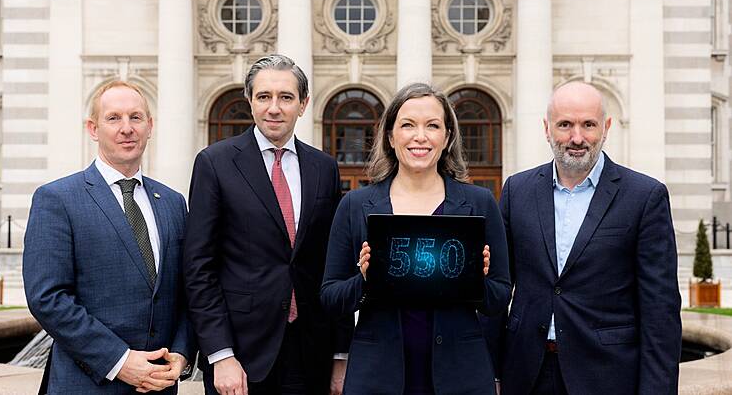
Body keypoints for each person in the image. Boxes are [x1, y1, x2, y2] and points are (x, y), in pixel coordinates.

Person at [320, 82, 511, 394]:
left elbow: (499, 298)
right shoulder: (355, 205)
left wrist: (475, 280)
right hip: (377, 375)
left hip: (460, 375)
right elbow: (331, 298)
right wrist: (366, 279)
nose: (420, 136)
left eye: (432, 126)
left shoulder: (479, 203)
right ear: (391, 136)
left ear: (447, 137)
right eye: (407, 125)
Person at [496, 81, 682, 395]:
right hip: (526, 375)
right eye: (565, 124)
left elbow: (659, 313)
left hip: (607, 376)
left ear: (606, 127)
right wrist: (490, 372)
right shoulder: (517, 191)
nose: (577, 138)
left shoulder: (644, 197)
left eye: (588, 125)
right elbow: (499, 290)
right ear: (547, 128)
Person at [182, 54, 352, 395]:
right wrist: (220, 354)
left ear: (303, 104)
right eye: (264, 97)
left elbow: (335, 264)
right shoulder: (214, 164)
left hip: (310, 353)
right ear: (250, 101)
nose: (274, 108)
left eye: (286, 97)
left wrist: (340, 354)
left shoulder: (324, 168)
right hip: (241, 357)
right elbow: (198, 267)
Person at [23, 80, 195, 393]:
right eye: (113, 118)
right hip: (86, 384)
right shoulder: (57, 199)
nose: (127, 128)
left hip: (158, 387)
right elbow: (47, 298)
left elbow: (186, 290)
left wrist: (182, 355)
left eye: (136, 117)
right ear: (93, 128)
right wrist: (119, 361)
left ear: (150, 126)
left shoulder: (172, 202)